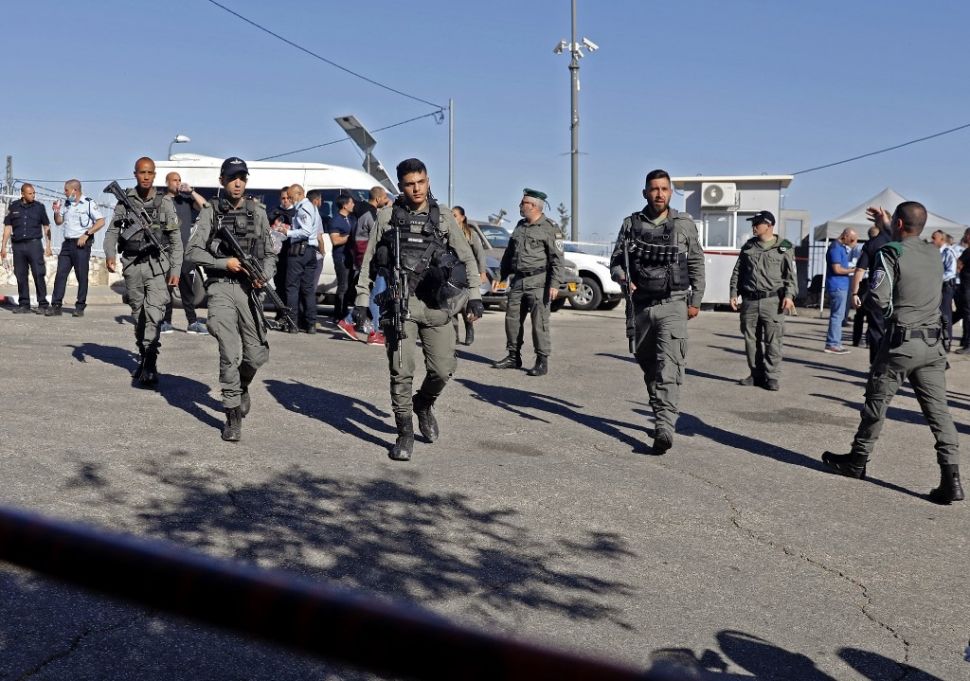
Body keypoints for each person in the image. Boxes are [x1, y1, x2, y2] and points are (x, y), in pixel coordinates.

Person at [823, 201, 963, 505]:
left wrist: (885, 313)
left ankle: (857, 461)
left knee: (877, 402)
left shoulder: (889, 253)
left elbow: (879, 297)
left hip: (901, 343)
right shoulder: (934, 253)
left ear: (898, 224)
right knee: (939, 412)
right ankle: (951, 478)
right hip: (933, 345)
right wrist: (890, 223)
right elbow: (907, 242)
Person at [354, 158, 484, 461]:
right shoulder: (385, 217)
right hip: (401, 305)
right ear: (400, 186)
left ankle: (423, 404)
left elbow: (467, 259)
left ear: (428, 181)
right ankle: (405, 433)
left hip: (437, 304)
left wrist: (475, 295)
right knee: (401, 370)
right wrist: (362, 302)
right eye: (410, 184)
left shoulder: (443, 218)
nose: (417, 188)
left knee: (442, 369)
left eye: (421, 182)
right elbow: (368, 264)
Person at [609, 169, 706, 455]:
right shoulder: (630, 224)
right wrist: (623, 277)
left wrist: (696, 300)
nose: (659, 194)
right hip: (640, 306)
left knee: (669, 366)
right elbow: (615, 262)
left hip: (673, 303)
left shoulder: (683, 224)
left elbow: (697, 263)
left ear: (670, 192)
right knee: (649, 365)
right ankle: (660, 410)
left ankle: (664, 426)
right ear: (645, 193)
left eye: (664, 189)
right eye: (654, 189)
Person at [185, 156, 277, 442]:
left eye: (242, 178)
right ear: (222, 181)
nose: (238, 183)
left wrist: (265, 274)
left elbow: (271, 253)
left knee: (257, 353)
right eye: (232, 178)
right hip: (221, 287)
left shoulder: (258, 212)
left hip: (249, 288)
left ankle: (242, 384)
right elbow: (192, 253)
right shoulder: (210, 212)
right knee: (229, 350)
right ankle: (232, 414)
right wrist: (225, 263)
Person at [103, 157, 182, 388]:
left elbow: (176, 240)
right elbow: (112, 233)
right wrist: (109, 254)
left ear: (155, 175)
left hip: (157, 266)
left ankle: (150, 362)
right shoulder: (125, 202)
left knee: (154, 313)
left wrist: (175, 268)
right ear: (135, 174)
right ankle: (144, 354)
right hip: (132, 265)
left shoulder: (164, 203)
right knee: (138, 313)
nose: (146, 177)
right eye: (141, 172)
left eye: (149, 173)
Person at [492, 188, 564, 376]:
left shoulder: (550, 228)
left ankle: (542, 360)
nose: (520, 206)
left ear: (533, 206)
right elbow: (509, 255)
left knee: (539, 323)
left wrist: (555, 284)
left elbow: (557, 259)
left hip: (539, 282)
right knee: (512, 320)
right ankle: (513, 356)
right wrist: (500, 276)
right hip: (518, 281)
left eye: (523, 203)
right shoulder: (519, 226)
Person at [728, 210, 797, 391]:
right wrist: (733, 292)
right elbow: (738, 271)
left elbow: (791, 276)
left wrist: (789, 297)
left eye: (757, 223)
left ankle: (771, 377)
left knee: (773, 340)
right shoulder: (748, 247)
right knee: (751, 340)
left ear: (769, 225)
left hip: (772, 301)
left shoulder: (784, 246)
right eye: (753, 223)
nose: (754, 227)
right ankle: (755, 374)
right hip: (750, 301)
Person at [337, 186, 389, 345]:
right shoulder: (371, 214)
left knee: (375, 292)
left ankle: (355, 322)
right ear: (378, 198)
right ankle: (373, 331)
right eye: (385, 198)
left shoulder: (364, 211)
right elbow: (378, 235)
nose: (387, 201)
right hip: (372, 257)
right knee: (376, 293)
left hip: (367, 256)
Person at [48, 179, 105, 317]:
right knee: (61, 274)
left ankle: (80, 306)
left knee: (81, 275)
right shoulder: (67, 204)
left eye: (66, 190)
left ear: (74, 190)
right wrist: (56, 211)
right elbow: (59, 222)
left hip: (81, 244)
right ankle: (56, 306)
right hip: (67, 244)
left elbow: (101, 221)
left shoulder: (89, 203)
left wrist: (86, 234)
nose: (65, 193)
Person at [160, 172, 207, 334]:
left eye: (179, 180)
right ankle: (165, 322)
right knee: (166, 289)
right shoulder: (162, 201)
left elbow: (205, 207)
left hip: (186, 252)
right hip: (167, 252)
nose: (178, 183)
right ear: (167, 182)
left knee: (187, 290)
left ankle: (192, 323)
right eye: (174, 180)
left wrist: (192, 191)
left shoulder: (186, 200)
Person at [1, 183, 52, 313]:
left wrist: (48, 246)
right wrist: (3, 247)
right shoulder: (13, 207)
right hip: (18, 245)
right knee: (20, 275)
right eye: (30, 193)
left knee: (39, 273)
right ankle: (24, 304)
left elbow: (46, 227)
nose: (33, 195)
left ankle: (43, 304)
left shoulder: (39, 207)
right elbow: (7, 227)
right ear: (22, 194)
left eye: (34, 193)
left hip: (34, 244)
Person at [281, 184, 322, 333]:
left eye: (291, 197)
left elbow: (305, 231)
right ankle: (310, 323)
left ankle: (292, 323)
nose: (290, 200)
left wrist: (288, 232)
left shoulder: (303, 207)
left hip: (300, 251)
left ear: (299, 194)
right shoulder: (313, 207)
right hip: (310, 251)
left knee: (292, 288)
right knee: (308, 289)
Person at [452, 206, 487, 345]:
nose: (452, 218)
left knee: (467, 306)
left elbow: (480, 254)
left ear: (462, 217)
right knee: (452, 305)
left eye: (454, 215)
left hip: (467, 275)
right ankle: (453, 335)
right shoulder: (448, 233)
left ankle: (469, 329)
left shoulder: (470, 234)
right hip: (452, 275)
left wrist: (482, 272)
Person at [824, 228, 857, 353]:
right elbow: (837, 269)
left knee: (839, 315)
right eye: (852, 239)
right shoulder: (836, 249)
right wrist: (853, 270)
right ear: (846, 236)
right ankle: (833, 343)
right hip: (837, 285)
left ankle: (835, 342)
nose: (854, 242)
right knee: (837, 316)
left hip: (840, 285)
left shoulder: (840, 247)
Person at [329, 193, 355, 324]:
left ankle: (344, 314)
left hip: (350, 257)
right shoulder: (336, 220)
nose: (353, 205)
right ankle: (338, 315)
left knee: (348, 287)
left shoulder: (351, 219)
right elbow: (335, 240)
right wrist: (350, 238)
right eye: (351, 202)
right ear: (345, 205)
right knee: (343, 286)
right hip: (341, 258)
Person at [268, 186, 295, 312]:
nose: (286, 200)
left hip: (291, 253)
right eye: (283, 198)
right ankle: (279, 313)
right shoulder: (274, 212)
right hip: (277, 253)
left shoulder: (296, 212)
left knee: (289, 286)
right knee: (278, 285)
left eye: (288, 198)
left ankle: (289, 314)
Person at [930, 229, 957, 346]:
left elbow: (951, 272)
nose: (931, 240)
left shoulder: (948, 252)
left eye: (934, 238)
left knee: (945, 315)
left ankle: (946, 341)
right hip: (935, 287)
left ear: (941, 240)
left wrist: (936, 279)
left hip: (945, 287)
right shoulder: (935, 252)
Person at [955, 229, 970, 354]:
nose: (964, 237)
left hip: (967, 288)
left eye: (966, 235)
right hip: (966, 287)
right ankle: (965, 341)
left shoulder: (968, 251)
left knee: (967, 315)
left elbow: (958, 265)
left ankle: (967, 344)